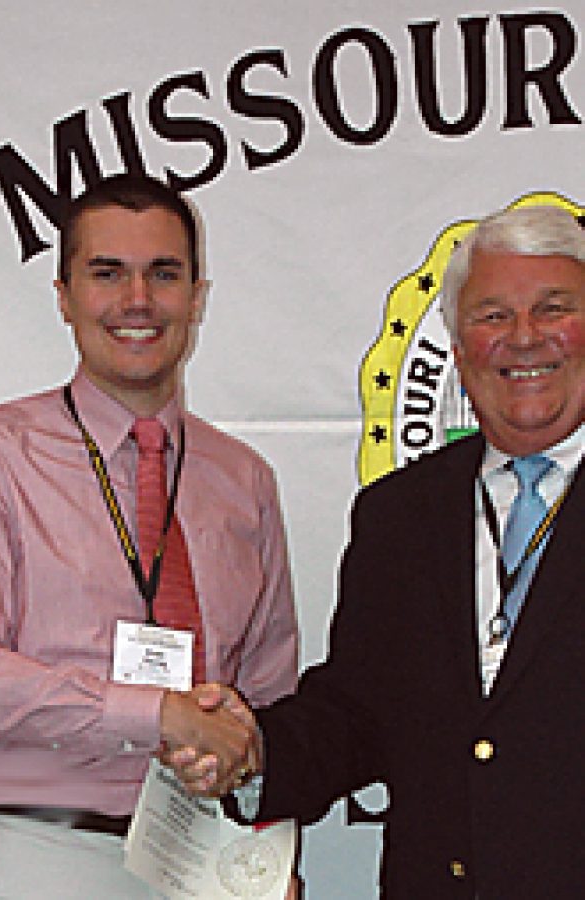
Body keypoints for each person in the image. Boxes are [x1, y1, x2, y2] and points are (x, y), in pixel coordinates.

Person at [0, 173, 299, 898]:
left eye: (164, 274)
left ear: (197, 296)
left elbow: (267, 697)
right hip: (32, 849)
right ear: (63, 296)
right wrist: (158, 714)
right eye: (107, 273)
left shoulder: (244, 481)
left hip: (200, 857)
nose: (138, 301)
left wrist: (257, 847)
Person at [181, 204, 584, 898]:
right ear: (458, 350)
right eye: (492, 316)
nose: (524, 338)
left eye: (554, 309)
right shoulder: (399, 514)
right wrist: (251, 751)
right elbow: (359, 713)